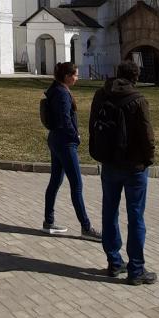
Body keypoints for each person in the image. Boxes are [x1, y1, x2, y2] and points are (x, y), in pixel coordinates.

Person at [89, 59, 156, 285]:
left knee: (110, 212)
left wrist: (96, 151)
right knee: (135, 216)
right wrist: (149, 158)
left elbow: (92, 124)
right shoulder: (138, 100)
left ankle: (114, 261)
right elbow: (147, 134)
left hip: (109, 163)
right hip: (134, 166)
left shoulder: (101, 95)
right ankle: (136, 269)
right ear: (135, 77)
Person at [42, 61, 101, 239]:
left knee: (55, 181)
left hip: (56, 140)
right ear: (67, 77)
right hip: (65, 142)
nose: (76, 77)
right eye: (75, 74)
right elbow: (64, 119)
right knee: (76, 185)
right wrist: (76, 136)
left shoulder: (56, 89)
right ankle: (86, 227)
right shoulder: (61, 93)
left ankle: (49, 222)